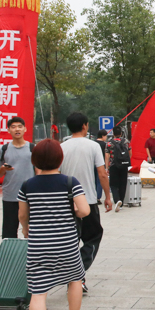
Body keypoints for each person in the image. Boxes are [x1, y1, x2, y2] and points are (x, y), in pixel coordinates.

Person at [18, 139, 91, 310]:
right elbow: (85, 211)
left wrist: (26, 229)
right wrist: (74, 212)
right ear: (60, 159)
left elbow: (22, 215)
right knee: (75, 280)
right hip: (66, 244)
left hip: (38, 245)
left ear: (35, 160)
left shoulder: (27, 185)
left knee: (38, 293)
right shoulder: (70, 182)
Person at [60, 112, 113, 293]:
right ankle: (78, 274)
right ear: (84, 126)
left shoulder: (62, 147)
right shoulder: (93, 146)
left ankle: (73, 276)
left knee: (71, 240)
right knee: (93, 236)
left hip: (66, 201)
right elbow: (102, 173)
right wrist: (107, 196)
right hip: (87, 200)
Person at [0, 117, 35, 239]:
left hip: (30, 195)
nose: (17, 129)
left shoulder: (33, 148)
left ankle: (32, 250)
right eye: (13, 127)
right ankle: (8, 250)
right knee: (9, 229)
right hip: (10, 194)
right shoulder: (3, 149)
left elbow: (39, 171)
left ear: (25, 129)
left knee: (32, 228)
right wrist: (3, 169)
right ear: (8, 130)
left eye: (20, 126)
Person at [106, 126, 131, 212]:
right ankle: (121, 203)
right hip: (124, 166)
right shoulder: (126, 142)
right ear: (121, 133)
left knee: (113, 184)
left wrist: (107, 167)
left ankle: (117, 200)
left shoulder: (109, 143)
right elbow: (130, 153)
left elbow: (107, 156)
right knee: (123, 184)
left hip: (113, 166)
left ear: (113, 133)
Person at [94, 129, 108, 203]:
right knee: (99, 181)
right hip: (100, 164)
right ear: (103, 136)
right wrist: (106, 166)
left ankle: (93, 196)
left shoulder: (93, 143)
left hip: (92, 164)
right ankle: (98, 198)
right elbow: (106, 156)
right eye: (106, 136)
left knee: (93, 181)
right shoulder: (105, 145)